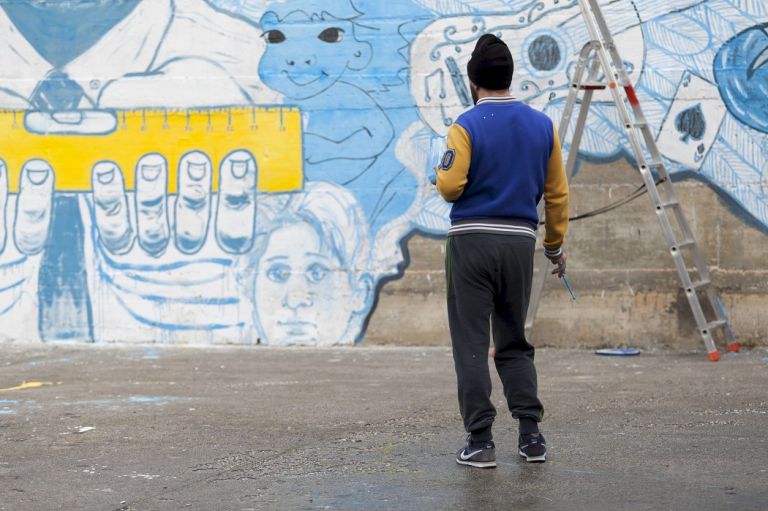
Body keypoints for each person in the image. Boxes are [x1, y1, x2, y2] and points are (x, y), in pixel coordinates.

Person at [434, 34, 569, 468]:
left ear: (474, 81)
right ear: (511, 77)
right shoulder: (542, 126)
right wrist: (554, 248)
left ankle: (480, 442)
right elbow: (557, 195)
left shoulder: (466, 125)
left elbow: (450, 186)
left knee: (472, 343)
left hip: (471, 242)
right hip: (519, 243)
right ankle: (531, 436)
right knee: (513, 341)